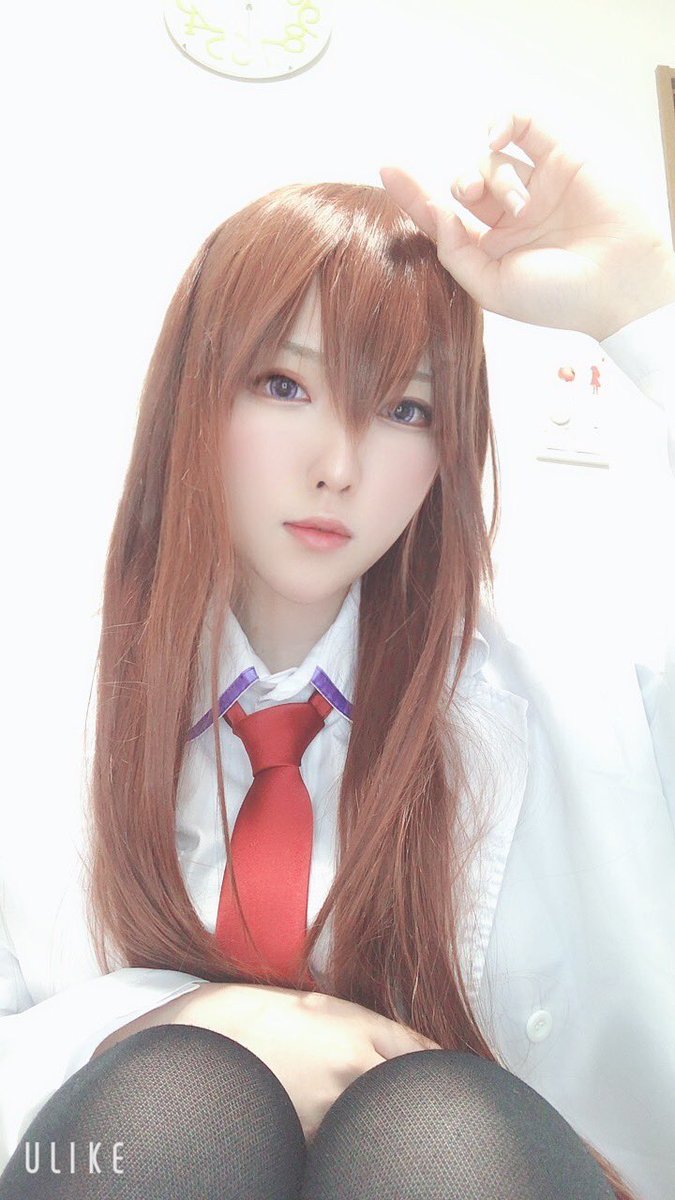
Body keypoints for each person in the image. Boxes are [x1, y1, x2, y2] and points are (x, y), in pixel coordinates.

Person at [0, 113, 673, 1200]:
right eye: (285, 385)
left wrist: (647, 303)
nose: (340, 465)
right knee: (175, 1093)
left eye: (404, 407)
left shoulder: (582, 687)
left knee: (435, 1123)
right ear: (192, 397)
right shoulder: (35, 699)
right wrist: (178, 1020)